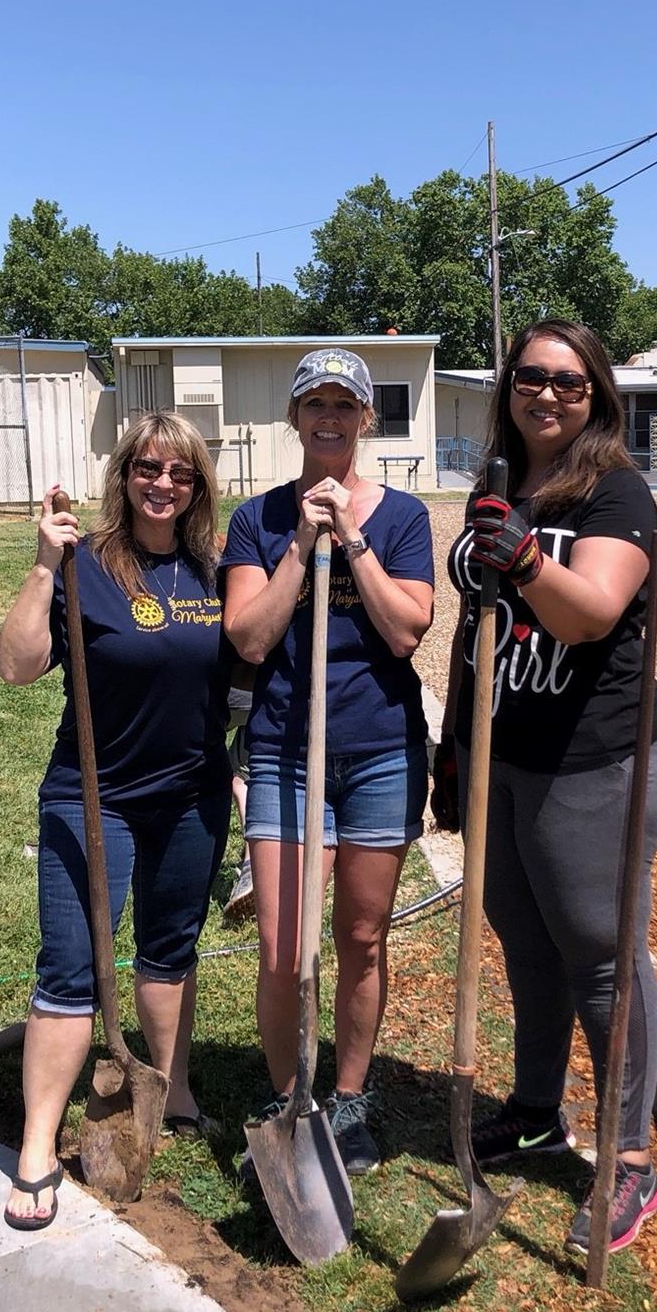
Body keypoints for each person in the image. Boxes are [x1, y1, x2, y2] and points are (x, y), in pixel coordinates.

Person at [441, 318, 657, 1257]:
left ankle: (629, 1158)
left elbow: (591, 614)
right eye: (531, 377)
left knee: (604, 956)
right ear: (508, 388)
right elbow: (475, 633)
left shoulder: (618, 493)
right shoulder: (499, 486)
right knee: (526, 943)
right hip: (504, 753)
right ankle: (536, 1109)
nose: (547, 394)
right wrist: (453, 749)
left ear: (597, 397)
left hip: (595, 763)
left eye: (569, 383)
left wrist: (529, 558)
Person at [0, 412, 230, 1230]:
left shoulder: (213, 568)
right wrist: (40, 567)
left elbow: (235, 677)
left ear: (198, 486)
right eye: (148, 468)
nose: (163, 484)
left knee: (169, 952)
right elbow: (17, 666)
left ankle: (167, 1087)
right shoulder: (84, 563)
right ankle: (37, 1142)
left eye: (181, 473)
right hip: (92, 797)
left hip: (192, 794)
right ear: (124, 474)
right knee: (68, 970)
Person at [222, 348, 435, 1175]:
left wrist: (350, 539)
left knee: (361, 936)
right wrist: (298, 545)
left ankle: (347, 1098)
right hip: (284, 750)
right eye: (316, 404)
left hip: (380, 749)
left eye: (345, 405)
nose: (330, 418)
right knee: (285, 947)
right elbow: (247, 635)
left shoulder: (403, 517)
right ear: (295, 417)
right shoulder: (259, 517)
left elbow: (406, 629)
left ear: (364, 418)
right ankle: (288, 1099)